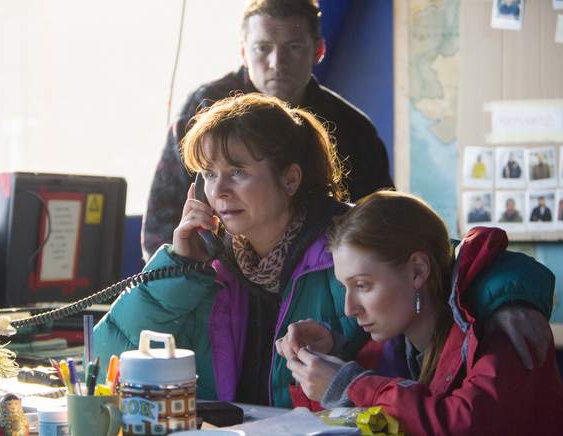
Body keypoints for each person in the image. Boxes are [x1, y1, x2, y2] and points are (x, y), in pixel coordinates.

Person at [95, 94, 553, 408]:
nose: (220, 190)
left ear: (290, 179)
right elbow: (105, 360)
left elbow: (444, 259)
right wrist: (177, 268)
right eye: (210, 174)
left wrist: (507, 299)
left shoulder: (347, 239)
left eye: (237, 171)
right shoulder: (203, 265)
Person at [276, 191, 562, 434]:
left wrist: (351, 384)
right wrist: (323, 360)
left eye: (363, 285)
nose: (350, 308)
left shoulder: (505, 332)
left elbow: (465, 425)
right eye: (344, 287)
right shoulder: (391, 340)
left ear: (417, 271)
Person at [141, 0, 393, 260]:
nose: (277, 62)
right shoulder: (204, 109)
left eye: (293, 47)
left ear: (318, 50)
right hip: (218, 281)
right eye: (263, 48)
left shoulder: (353, 128)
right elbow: (160, 229)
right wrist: (182, 274)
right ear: (243, 52)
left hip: (326, 277)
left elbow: (381, 227)